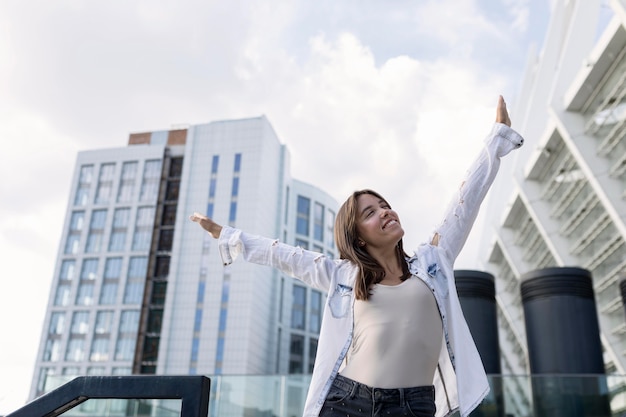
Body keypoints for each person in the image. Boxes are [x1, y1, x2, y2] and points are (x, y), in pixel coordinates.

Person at [190, 95, 523, 417]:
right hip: (347, 402)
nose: (385, 212)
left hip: (414, 406)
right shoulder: (343, 277)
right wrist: (228, 235)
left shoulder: (432, 261)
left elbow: (464, 202)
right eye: (370, 213)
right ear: (358, 238)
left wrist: (496, 139)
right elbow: (286, 256)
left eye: (384, 205)